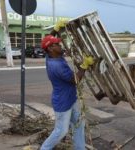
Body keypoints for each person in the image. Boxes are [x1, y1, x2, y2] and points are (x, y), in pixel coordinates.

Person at [40, 20, 94, 150]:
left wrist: (56, 29)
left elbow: (47, 40)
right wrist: (85, 66)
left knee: (79, 124)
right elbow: (75, 80)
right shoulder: (56, 66)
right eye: (57, 44)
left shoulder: (51, 56)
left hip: (71, 98)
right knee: (61, 131)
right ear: (51, 49)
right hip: (63, 103)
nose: (60, 44)